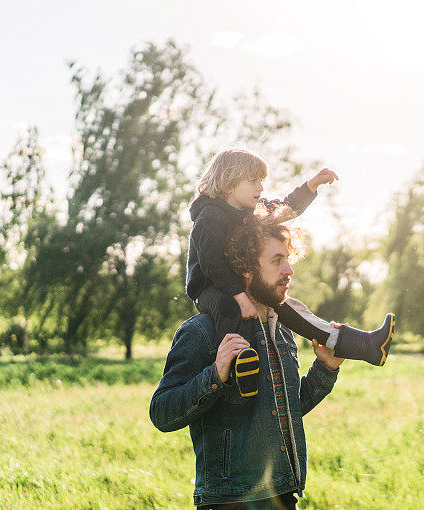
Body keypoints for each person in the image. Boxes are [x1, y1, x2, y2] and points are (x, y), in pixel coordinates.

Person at [151, 214, 343, 509]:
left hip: (282, 493)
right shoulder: (202, 330)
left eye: (288, 259)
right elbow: (162, 413)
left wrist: (326, 369)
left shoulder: (282, 329)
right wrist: (215, 375)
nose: (289, 270)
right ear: (246, 269)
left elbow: (287, 409)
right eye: (277, 260)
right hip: (229, 500)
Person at [186, 148, 395, 397]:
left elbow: (285, 207)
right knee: (227, 308)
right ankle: (239, 368)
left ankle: (365, 346)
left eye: (261, 181)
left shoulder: (251, 210)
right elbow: (212, 265)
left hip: (242, 283)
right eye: (253, 181)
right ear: (229, 184)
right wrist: (239, 296)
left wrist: (311, 185)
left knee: (291, 307)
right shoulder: (209, 217)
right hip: (210, 287)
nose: (260, 188)